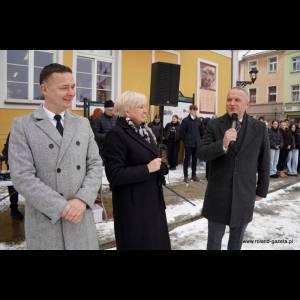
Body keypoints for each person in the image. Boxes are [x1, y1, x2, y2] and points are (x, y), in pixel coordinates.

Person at [8, 63, 102, 250]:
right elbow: (22, 177)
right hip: (47, 222)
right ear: (44, 89)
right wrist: (62, 207)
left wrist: (82, 199)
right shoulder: (23, 126)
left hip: (80, 220)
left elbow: (95, 164)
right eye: (64, 88)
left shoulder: (82, 123)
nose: (71, 92)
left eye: (73, 86)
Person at [198, 87, 270, 250]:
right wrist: (222, 144)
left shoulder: (259, 127)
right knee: (214, 242)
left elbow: (264, 161)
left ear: (247, 103)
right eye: (229, 99)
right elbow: (202, 153)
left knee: (236, 242)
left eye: (237, 100)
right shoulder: (214, 124)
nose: (232, 103)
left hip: (244, 194)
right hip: (218, 194)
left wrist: (261, 190)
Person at [103, 91, 171, 250]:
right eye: (140, 107)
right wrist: (147, 169)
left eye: (145, 106)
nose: (145, 110)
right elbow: (114, 175)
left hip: (153, 203)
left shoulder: (146, 131)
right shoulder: (116, 135)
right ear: (127, 111)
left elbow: (155, 160)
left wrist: (162, 167)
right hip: (133, 208)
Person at [1, 133, 23, 220]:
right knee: (13, 185)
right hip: (14, 160)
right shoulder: (15, 131)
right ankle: (14, 208)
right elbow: (7, 148)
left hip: (30, 161)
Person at [180, 104, 202, 183]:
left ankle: (193, 175)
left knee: (195, 160)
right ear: (190, 110)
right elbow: (182, 132)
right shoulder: (185, 120)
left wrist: (199, 140)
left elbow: (200, 131)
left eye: (195, 110)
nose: (194, 111)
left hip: (196, 143)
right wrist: (185, 141)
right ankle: (186, 176)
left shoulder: (198, 120)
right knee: (187, 160)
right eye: (192, 110)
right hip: (188, 144)